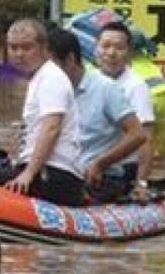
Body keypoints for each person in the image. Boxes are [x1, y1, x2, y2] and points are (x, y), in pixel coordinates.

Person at [0, 18, 85, 206]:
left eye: (27, 48)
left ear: (44, 48)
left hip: (54, 173)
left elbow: (52, 127)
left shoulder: (51, 78)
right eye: (13, 48)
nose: (19, 54)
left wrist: (28, 173)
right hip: (41, 169)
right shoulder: (38, 78)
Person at [49, 29, 146, 203]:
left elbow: (138, 135)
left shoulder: (106, 88)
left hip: (100, 178)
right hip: (62, 175)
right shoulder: (47, 89)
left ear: (70, 60)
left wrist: (100, 163)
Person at [95, 21, 156, 195]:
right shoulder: (89, 81)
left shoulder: (136, 87)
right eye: (105, 46)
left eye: (119, 48)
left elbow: (146, 138)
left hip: (120, 170)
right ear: (95, 48)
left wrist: (141, 184)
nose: (111, 53)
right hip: (91, 166)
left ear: (129, 53)